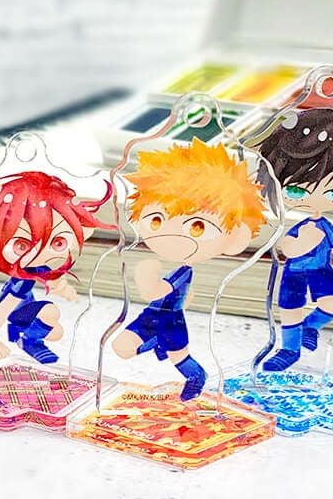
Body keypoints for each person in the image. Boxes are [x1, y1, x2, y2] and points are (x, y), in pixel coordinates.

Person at [112, 140, 268, 400]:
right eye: (157, 220)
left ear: (234, 238)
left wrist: (146, 276)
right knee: (122, 347)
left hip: (170, 322)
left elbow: (156, 290)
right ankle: (156, 342)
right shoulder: (174, 265)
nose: (170, 235)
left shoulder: (183, 269)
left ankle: (196, 377)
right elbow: (181, 294)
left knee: (179, 358)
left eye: (197, 227)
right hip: (152, 315)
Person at [255, 108, 333, 371]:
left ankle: (310, 327)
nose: (315, 198)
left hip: (321, 271)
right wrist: (299, 243)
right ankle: (289, 350)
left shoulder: (326, 227)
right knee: (289, 310)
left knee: (332, 305)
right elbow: (287, 249)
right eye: (295, 190)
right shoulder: (300, 228)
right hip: (293, 273)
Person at [0, 171, 114, 364]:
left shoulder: (37, 268)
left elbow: (52, 277)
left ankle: (27, 337)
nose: (39, 252)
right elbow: (6, 306)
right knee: (50, 311)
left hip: (25, 308)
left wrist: (64, 289)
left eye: (58, 242)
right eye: (21, 245)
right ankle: (25, 337)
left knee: (57, 332)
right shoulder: (21, 280)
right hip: (17, 311)